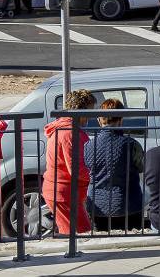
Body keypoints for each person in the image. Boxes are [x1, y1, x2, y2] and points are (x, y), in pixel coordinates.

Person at [84, 98, 145, 231]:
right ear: (121, 119)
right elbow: (141, 167)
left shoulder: (88, 146)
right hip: (129, 204)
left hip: (97, 206)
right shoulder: (131, 144)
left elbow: (87, 168)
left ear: (100, 120)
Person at [43, 89, 96, 236]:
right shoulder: (70, 133)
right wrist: (97, 177)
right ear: (82, 110)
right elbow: (77, 169)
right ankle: (72, 256)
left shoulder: (63, 127)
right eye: (90, 111)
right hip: (64, 193)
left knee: (74, 233)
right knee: (80, 234)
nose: (90, 116)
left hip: (60, 191)